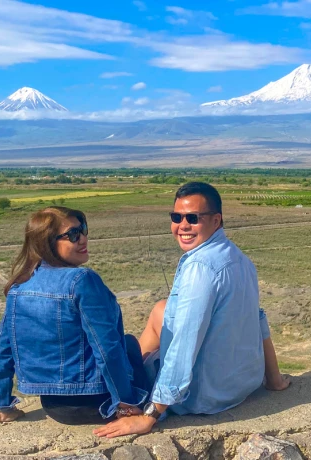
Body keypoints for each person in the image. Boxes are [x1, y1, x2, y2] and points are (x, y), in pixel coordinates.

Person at [94, 182, 290, 438]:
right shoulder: (238, 258)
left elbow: (184, 344)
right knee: (161, 310)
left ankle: (133, 394)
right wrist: (273, 379)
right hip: (243, 384)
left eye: (193, 218)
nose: (182, 226)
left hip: (204, 396)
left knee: (134, 351)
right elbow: (257, 318)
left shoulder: (200, 268)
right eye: (176, 217)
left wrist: (150, 416)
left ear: (216, 220)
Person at [0, 206, 148, 425]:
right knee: (130, 344)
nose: (83, 239)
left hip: (53, 407)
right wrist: (125, 405)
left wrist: (0, 404)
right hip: (98, 404)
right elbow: (107, 349)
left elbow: (2, 351)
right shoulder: (81, 280)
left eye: (84, 229)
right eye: (73, 235)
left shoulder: (20, 285)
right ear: (47, 242)